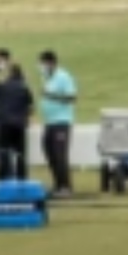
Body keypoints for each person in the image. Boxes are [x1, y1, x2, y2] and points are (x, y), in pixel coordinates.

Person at [0, 45, 33, 184]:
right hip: (19, 124)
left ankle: (3, 179)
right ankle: (22, 180)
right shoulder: (23, 86)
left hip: (4, 122)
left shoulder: (1, 84)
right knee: (20, 153)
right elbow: (30, 105)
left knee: (2, 152)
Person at [37, 49, 79, 195]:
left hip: (61, 121)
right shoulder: (47, 77)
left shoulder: (64, 77)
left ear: (52, 63)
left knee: (60, 154)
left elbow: (72, 97)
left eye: (43, 63)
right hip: (50, 122)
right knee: (49, 152)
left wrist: (51, 96)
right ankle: (58, 184)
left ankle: (65, 186)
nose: (41, 67)